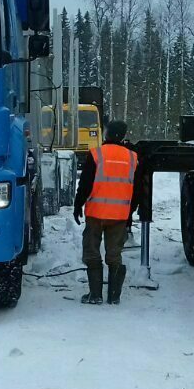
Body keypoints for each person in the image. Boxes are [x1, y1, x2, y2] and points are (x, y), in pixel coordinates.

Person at [73, 120, 145, 305]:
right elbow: (137, 190)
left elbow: (85, 185)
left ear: (107, 133)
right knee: (114, 255)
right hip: (120, 215)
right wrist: (130, 213)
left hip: (96, 213)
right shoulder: (133, 157)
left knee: (92, 252)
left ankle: (95, 295)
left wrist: (77, 205)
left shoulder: (97, 154)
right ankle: (114, 296)